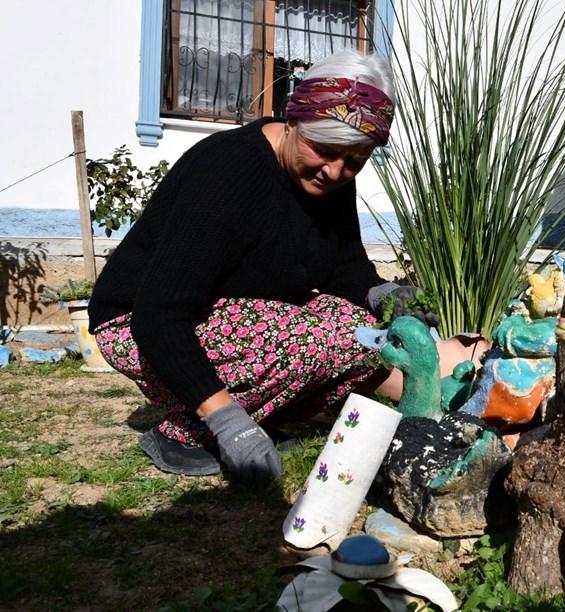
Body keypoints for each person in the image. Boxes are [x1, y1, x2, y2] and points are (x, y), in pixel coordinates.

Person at [89, 50, 425, 488]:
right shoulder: (228, 172)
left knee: (366, 332)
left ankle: (254, 411)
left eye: (354, 161)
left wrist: (379, 295)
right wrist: (230, 423)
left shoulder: (331, 172)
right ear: (293, 121)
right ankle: (188, 433)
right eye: (323, 151)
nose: (335, 171)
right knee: (318, 340)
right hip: (140, 323)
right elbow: (161, 313)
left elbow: (341, 266)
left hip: (234, 314)